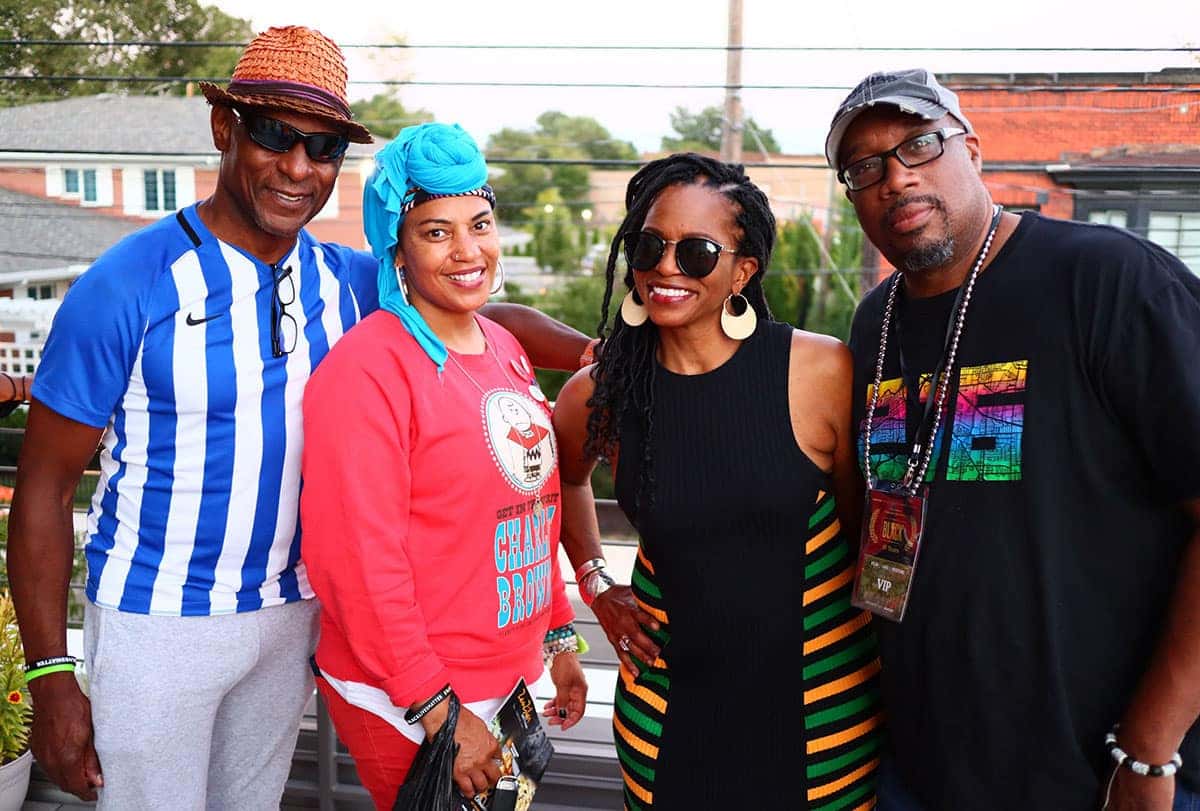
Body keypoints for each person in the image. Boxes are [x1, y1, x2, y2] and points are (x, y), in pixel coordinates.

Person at [7, 27, 586, 807]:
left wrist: (600, 350)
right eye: (275, 135)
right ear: (225, 129)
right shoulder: (126, 284)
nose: (298, 166)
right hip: (161, 620)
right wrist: (49, 676)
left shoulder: (347, 280)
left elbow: (480, 312)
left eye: (322, 148)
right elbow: (43, 488)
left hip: (292, 617)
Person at [826, 68, 1200, 810]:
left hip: (1098, 776)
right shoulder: (875, 324)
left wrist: (1151, 750)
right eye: (863, 165)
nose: (894, 178)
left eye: (918, 145)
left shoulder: (1107, 280)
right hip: (920, 771)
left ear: (973, 149)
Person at [552, 153, 883, 810]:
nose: (667, 267)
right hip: (668, 719)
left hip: (821, 718)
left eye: (698, 251)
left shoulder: (817, 370)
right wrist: (596, 582)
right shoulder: (601, 392)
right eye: (649, 245)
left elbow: (862, 530)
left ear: (743, 268)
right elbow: (564, 482)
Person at [299, 122, 587, 809]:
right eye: (436, 232)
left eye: (480, 224)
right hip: (414, 694)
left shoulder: (502, 345)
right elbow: (357, 564)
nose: (468, 251)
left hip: (504, 681)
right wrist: (438, 712)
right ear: (396, 246)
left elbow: (530, 506)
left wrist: (559, 637)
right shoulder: (367, 369)